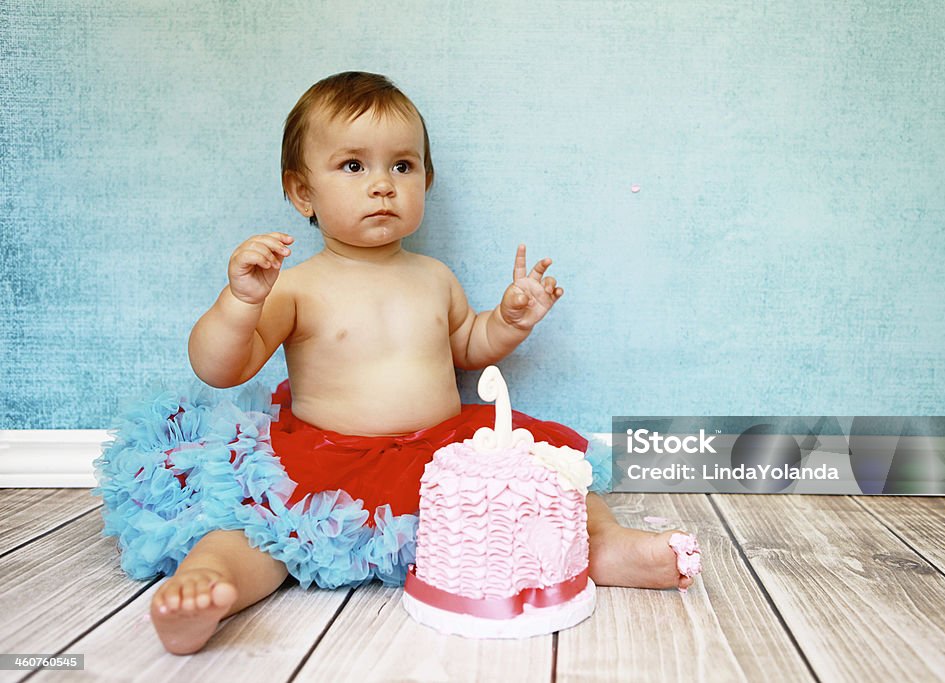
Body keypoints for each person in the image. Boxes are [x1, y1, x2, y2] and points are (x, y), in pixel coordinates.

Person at [94, 72, 694, 655]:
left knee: (547, 479)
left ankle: (608, 545)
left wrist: (508, 322)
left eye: (401, 166)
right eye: (354, 166)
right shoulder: (296, 287)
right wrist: (241, 301)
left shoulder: (434, 277)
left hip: (442, 448)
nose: (382, 184)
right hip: (327, 461)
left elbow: (465, 346)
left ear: (424, 181)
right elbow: (220, 367)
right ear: (303, 191)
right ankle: (209, 586)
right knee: (265, 535)